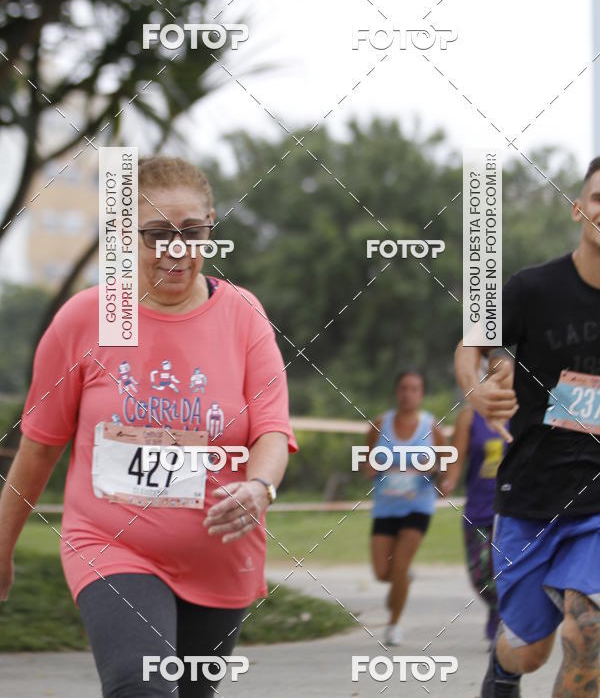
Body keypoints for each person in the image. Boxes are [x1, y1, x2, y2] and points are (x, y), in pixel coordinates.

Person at [0, 156, 298, 697]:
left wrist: (261, 486)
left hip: (221, 556)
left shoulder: (244, 316)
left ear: (211, 224)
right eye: (158, 233)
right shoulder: (86, 320)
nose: (176, 249)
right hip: (111, 544)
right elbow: (39, 448)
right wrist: (1, 546)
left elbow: (272, 431)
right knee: (140, 687)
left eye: (192, 231)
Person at [455, 157, 600, 697]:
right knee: (528, 649)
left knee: (589, 628)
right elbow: (472, 343)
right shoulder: (533, 289)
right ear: (579, 208)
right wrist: (475, 388)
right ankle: (502, 672)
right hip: (531, 494)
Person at [363, 370, 447, 646]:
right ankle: (403, 581)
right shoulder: (380, 424)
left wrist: (436, 471)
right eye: (404, 388)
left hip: (418, 506)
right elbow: (365, 463)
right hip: (386, 507)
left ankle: (394, 625)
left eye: (414, 389)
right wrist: (371, 466)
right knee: (381, 572)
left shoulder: (431, 426)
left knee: (399, 565)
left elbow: (445, 462)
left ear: (421, 394)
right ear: (397, 392)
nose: (408, 394)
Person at [441, 357, 511, 647]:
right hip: (478, 509)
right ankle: (499, 609)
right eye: (493, 375)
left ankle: (506, 620)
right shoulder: (469, 417)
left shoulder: (521, 416)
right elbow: (457, 457)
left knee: (508, 569)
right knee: (481, 575)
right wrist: (449, 480)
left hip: (512, 508)